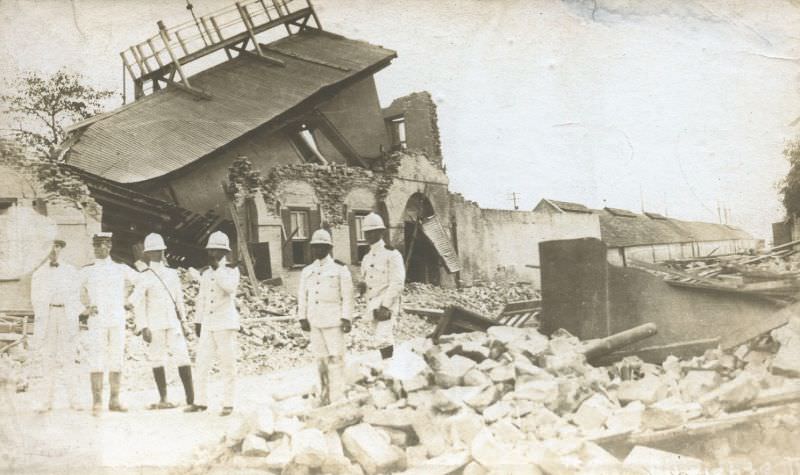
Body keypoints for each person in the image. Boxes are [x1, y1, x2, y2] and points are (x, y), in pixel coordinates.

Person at [129, 233, 194, 410]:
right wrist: (143, 326)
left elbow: (179, 300)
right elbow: (139, 303)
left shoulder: (172, 274)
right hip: (154, 324)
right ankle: (163, 398)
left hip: (173, 323)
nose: (158, 254)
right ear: (147, 254)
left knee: (182, 356)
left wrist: (184, 322)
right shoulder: (144, 276)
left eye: (160, 251)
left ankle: (191, 398)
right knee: (157, 359)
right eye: (154, 251)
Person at [79, 232, 139, 416]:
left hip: (117, 319)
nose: (99, 248)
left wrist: (130, 301)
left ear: (110, 246)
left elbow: (143, 282)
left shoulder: (120, 269)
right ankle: (97, 402)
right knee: (96, 359)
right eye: (96, 245)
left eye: (103, 244)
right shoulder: (86, 271)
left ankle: (114, 400)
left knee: (116, 358)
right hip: (97, 320)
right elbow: (70, 291)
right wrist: (84, 309)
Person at [185, 231, 240, 416]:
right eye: (211, 250)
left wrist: (218, 270)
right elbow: (202, 298)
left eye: (217, 250)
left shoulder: (231, 270)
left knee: (227, 364)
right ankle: (200, 401)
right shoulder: (207, 273)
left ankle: (228, 402)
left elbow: (229, 288)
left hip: (225, 323)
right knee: (202, 363)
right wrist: (198, 321)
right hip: (208, 324)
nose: (213, 254)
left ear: (224, 252)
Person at [297, 229, 353, 405]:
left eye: (322, 247)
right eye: (315, 247)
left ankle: (338, 396)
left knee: (336, 359)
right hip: (315, 321)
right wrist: (302, 317)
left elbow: (347, 296)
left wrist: (346, 318)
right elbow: (302, 295)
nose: (318, 250)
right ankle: (324, 395)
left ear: (329, 248)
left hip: (333, 321)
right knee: (320, 360)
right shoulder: (307, 270)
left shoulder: (339, 268)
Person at [29, 239, 82, 412]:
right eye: (49, 247)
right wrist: (42, 320)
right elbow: (36, 301)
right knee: (48, 357)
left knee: (68, 357)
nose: (53, 250)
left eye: (57, 247)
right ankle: (46, 401)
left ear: (61, 249)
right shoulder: (38, 274)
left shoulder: (71, 271)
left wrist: (77, 314)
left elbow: (76, 296)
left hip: (66, 315)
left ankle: (74, 400)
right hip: (48, 315)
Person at [358, 213, 405, 360]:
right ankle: (390, 370)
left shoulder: (392, 254)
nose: (369, 235)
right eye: (367, 232)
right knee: (380, 339)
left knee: (382, 338)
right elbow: (368, 281)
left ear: (381, 232)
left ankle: (389, 369)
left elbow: (397, 282)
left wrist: (385, 306)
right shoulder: (366, 257)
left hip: (386, 304)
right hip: (372, 304)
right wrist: (362, 286)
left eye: (373, 232)